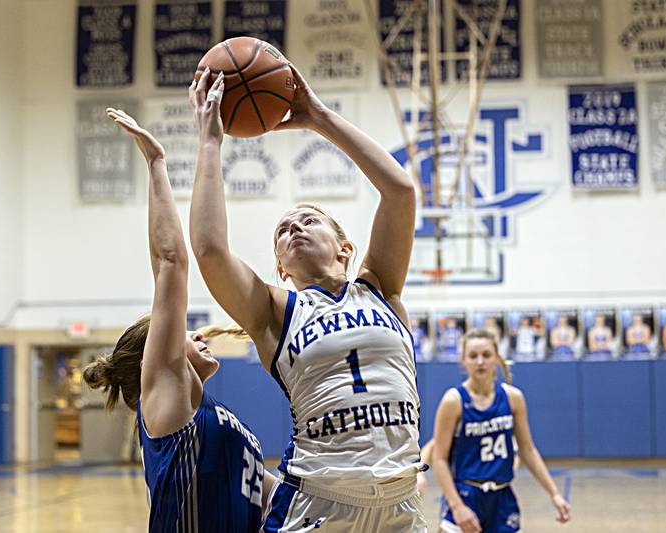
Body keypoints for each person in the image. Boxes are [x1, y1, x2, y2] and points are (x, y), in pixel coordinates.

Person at [188, 66, 425, 531]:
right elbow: (210, 250)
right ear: (281, 268)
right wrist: (211, 144)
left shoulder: (381, 289)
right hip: (319, 505)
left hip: (400, 503)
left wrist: (317, 116)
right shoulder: (274, 312)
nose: (294, 227)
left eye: (308, 220)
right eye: (283, 229)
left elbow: (400, 191)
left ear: (345, 248)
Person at [82, 108, 273, 532]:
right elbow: (171, 262)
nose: (198, 333)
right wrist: (156, 165)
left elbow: (269, 494)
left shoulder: (209, 412)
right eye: (183, 332)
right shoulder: (167, 401)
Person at [429, 329, 571, 532]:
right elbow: (439, 459)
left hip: (502, 498)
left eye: (486, 355)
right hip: (466, 494)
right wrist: (457, 506)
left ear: (496, 357)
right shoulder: (453, 401)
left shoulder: (513, 398)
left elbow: (528, 450)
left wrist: (555, 494)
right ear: (463, 360)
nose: (480, 361)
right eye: (473, 356)